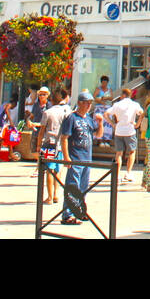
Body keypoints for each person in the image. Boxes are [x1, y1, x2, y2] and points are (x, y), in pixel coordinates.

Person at [59, 91, 102, 225]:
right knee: (73, 186)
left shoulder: (88, 119)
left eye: (90, 103)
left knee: (83, 187)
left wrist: (100, 123)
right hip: (75, 157)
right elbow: (64, 138)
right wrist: (66, 157)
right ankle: (68, 214)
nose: (88, 105)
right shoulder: (71, 118)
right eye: (86, 103)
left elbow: (98, 135)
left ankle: (79, 211)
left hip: (87, 158)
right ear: (79, 103)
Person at [39, 87, 71, 205]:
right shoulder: (67, 112)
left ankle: (49, 196)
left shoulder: (48, 112)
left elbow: (42, 131)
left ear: (52, 100)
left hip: (49, 143)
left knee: (49, 170)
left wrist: (38, 145)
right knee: (58, 170)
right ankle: (56, 194)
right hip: (61, 144)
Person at [107, 88, 144, 183]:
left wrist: (113, 124)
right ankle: (128, 172)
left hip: (119, 129)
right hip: (130, 130)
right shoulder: (134, 104)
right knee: (132, 151)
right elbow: (142, 113)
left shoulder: (117, 104)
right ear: (130, 95)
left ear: (122, 95)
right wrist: (137, 124)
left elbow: (106, 114)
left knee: (119, 153)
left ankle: (117, 174)